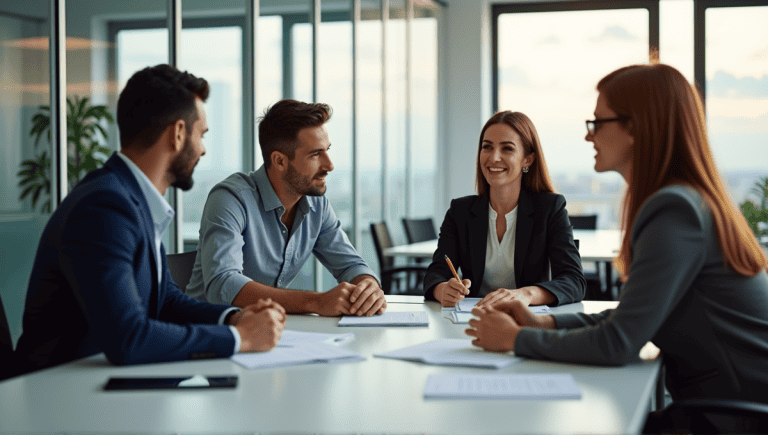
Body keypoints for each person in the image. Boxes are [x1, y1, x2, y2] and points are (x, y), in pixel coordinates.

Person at [466, 64, 768, 432]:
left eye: (597, 123)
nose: (588, 137)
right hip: (729, 406)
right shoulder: (686, 201)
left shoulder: (676, 210)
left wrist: (515, 339)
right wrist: (541, 322)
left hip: (736, 418)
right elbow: (627, 318)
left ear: (636, 128)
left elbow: (618, 342)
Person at [13, 64, 286, 377]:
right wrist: (242, 338)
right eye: (202, 134)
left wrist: (235, 317)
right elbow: (128, 338)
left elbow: (166, 302)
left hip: (103, 386)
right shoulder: (104, 207)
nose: (203, 149)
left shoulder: (132, 200)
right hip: (59, 396)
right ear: (178, 133)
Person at [185, 99, 386, 317]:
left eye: (327, 150)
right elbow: (223, 284)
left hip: (267, 333)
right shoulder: (231, 199)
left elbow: (350, 266)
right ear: (280, 161)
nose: (329, 165)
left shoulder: (316, 204)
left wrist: (368, 287)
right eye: (315, 154)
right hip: (210, 334)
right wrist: (316, 302)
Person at [423, 111, 585, 308]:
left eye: (507, 149)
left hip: (527, 322)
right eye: (487, 147)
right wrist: (442, 289)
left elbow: (574, 281)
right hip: (472, 319)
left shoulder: (550, 208)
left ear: (528, 159)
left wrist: (526, 294)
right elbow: (436, 272)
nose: (494, 157)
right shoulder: (460, 211)